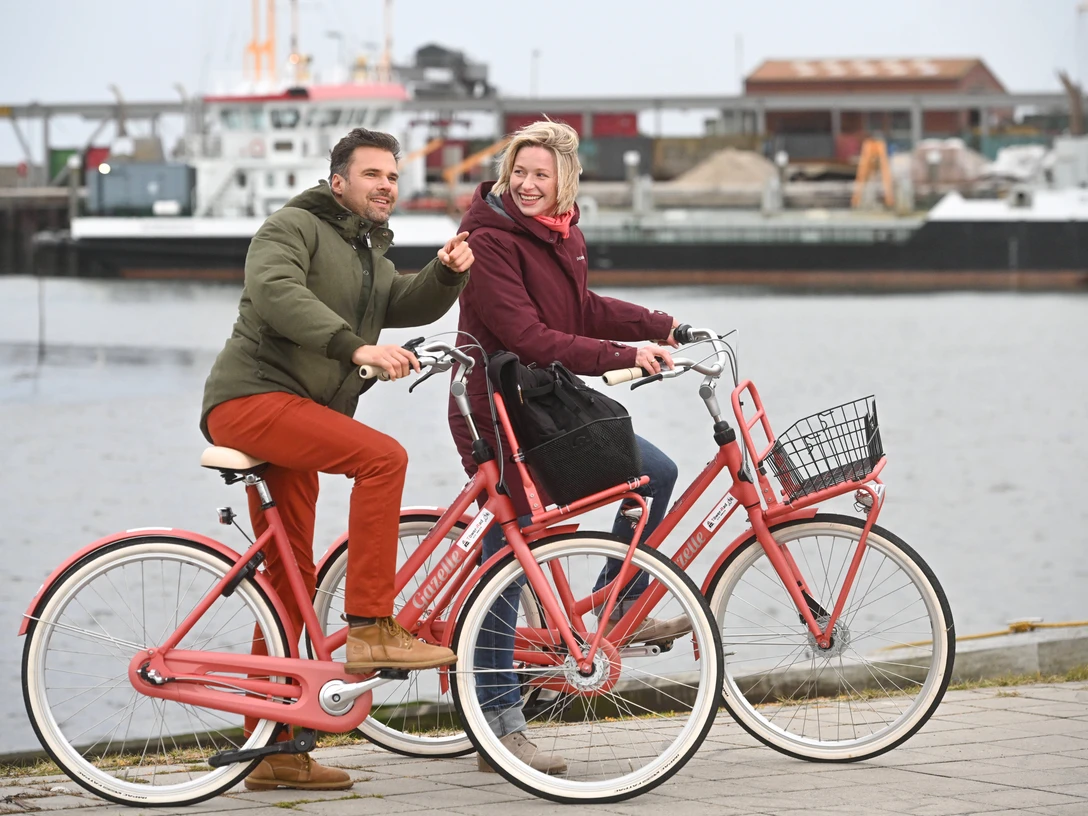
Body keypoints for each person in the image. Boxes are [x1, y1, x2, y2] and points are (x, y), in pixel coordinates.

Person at [200, 127, 474, 791]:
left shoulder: (366, 250)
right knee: (382, 460)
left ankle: (273, 754)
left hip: (296, 415)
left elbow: (399, 303)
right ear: (339, 181)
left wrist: (445, 274)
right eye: (373, 174)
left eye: (393, 175)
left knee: (289, 582)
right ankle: (372, 625)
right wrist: (356, 349)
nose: (386, 185)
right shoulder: (290, 227)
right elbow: (277, 294)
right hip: (252, 400)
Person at [447, 120, 688, 774]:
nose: (527, 184)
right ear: (506, 175)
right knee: (509, 553)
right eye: (519, 172)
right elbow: (528, 336)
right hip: (498, 405)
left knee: (654, 475)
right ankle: (497, 720)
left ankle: (615, 612)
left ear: (564, 182)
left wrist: (664, 326)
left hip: (544, 401)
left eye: (540, 175)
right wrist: (627, 356)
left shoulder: (562, 235)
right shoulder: (490, 239)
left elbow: (581, 310)